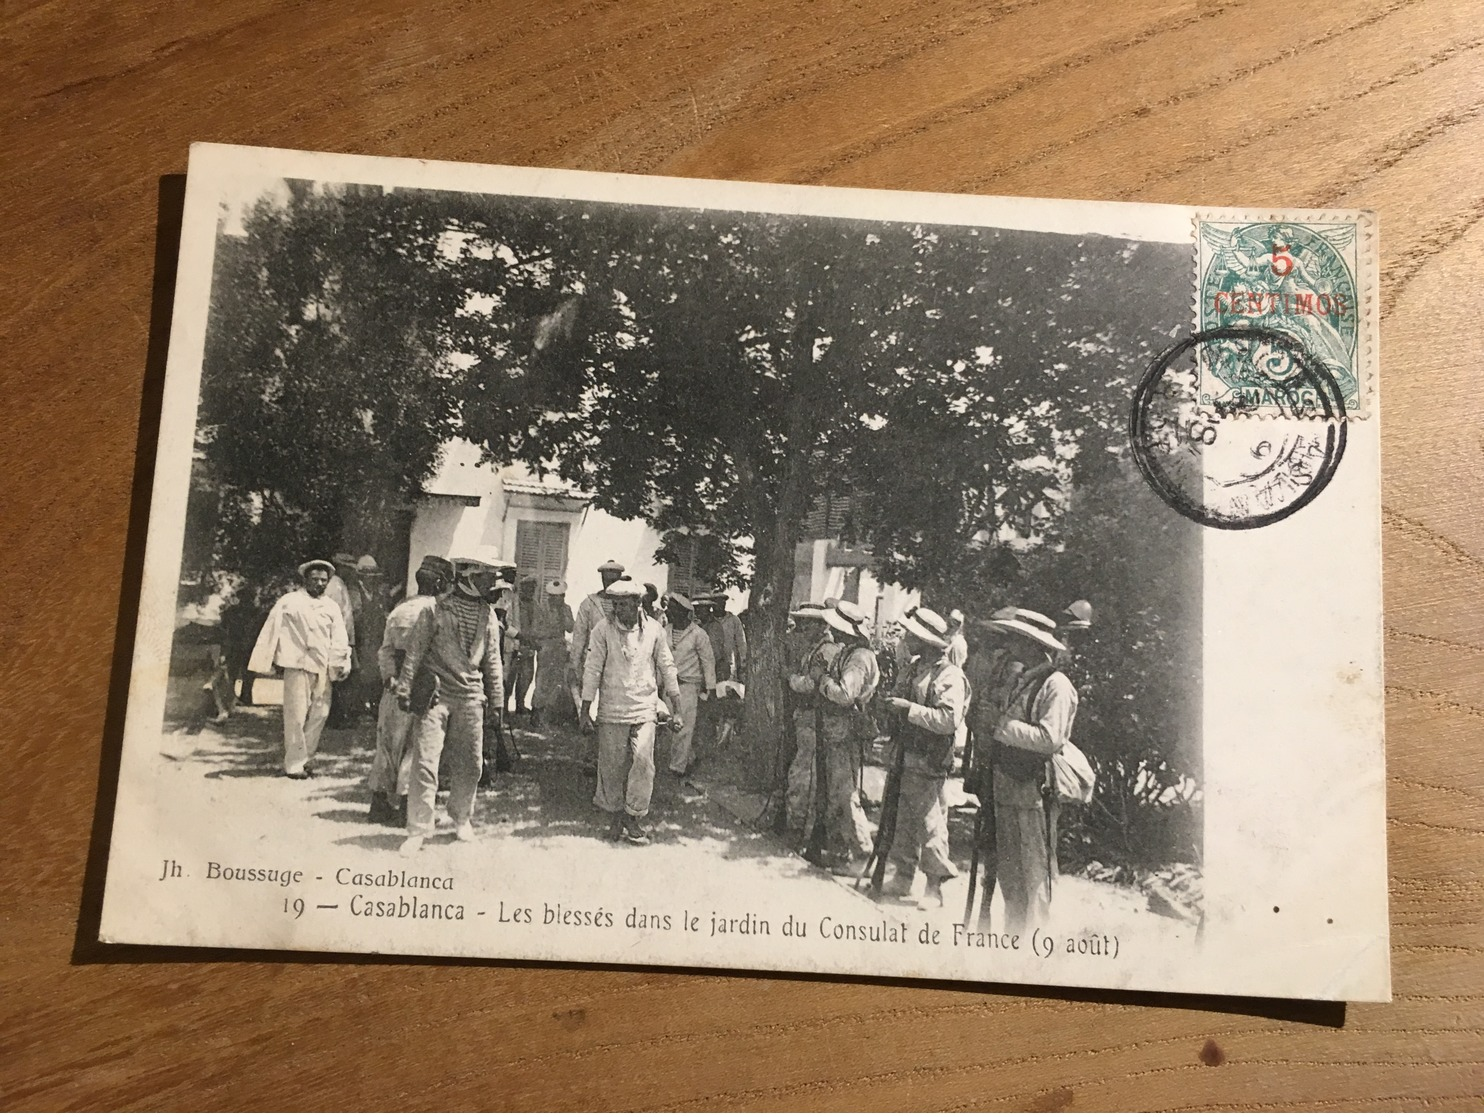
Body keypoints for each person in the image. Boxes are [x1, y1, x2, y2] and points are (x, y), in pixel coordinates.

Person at [395, 555, 505, 856]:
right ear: (469, 576)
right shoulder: (434, 609)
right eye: (486, 577)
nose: (491, 583)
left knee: (471, 763)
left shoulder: (488, 613)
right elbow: (414, 653)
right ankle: (418, 829)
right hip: (436, 694)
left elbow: (493, 661)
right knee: (425, 762)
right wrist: (405, 689)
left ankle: (461, 818)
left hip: (471, 697)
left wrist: (497, 701)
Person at [988, 609, 1078, 936]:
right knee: (1010, 871)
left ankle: (1034, 945)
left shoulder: (1056, 685)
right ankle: (1013, 937)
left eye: (1017, 639)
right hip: (1010, 782)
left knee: (1034, 872)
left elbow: (1050, 739)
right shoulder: (1024, 678)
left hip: (1034, 789)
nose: (1011, 645)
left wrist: (1003, 727)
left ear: (1031, 643)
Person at [581, 581, 682, 845]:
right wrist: (585, 710)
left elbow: (667, 667)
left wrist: (677, 708)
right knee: (611, 767)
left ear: (638, 603)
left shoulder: (654, 631)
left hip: (644, 707)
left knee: (643, 762)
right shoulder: (602, 630)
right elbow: (592, 669)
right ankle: (614, 817)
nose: (618, 610)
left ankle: (633, 817)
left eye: (624, 605)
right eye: (615, 604)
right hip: (612, 709)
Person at [881, 606, 968, 910]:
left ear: (924, 639)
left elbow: (948, 720)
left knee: (931, 824)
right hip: (904, 755)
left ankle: (934, 886)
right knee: (901, 819)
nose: (906, 638)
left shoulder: (951, 676)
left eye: (911, 634)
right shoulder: (913, 669)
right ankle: (902, 876)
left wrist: (908, 708)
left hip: (929, 759)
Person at [247, 560, 352, 779]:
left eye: (324, 580)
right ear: (305, 579)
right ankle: (294, 765)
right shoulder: (289, 601)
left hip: (322, 666)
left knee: (320, 713)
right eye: (315, 579)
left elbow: (340, 637)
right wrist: (267, 660)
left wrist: (341, 663)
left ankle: (306, 757)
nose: (320, 584)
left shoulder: (331, 606)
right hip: (297, 665)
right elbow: (270, 629)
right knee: (296, 715)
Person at [367, 556, 451, 827]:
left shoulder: (399, 610)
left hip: (394, 686)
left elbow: (386, 650)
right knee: (416, 747)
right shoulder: (439, 612)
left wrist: (390, 677)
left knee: (388, 744)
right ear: (440, 583)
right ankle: (406, 807)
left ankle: (378, 804)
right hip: (424, 685)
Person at [798, 600, 879, 871]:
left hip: (846, 731)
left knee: (845, 794)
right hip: (834, 730)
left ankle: (859, 851)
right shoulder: (848, 653)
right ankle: (839, 850)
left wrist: (822, 680)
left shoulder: (859, 659)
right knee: (834, 793)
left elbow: (845, 695)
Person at [784, 603, 839, 837]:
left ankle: (797, 824)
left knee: (803, 772)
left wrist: (790, 678)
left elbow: (810, 684)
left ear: (820, 625)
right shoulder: (815, 648)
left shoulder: (825, 651)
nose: (802, 627)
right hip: (807, 717)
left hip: (814, 717)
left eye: (807, 623)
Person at [662, 593, 716, 777]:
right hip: (668, 687)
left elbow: (708, 662)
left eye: (672, 609)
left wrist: (711, 688)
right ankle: (689, 757)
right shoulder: (664, 631)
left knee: (683, 729)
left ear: (683, 612)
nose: (668, 612)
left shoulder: (698, 634)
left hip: (687, 687)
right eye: (668, 608)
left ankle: (677, 768)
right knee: (668, 725)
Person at [570, 559, 627, 707]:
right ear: (602, 579)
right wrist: (574, 664)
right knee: (591, 702)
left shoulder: (627, 605)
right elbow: (579, 636)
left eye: (614, 581)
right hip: (593, 660)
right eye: (607, 580)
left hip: (618, 663)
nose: (610, 585)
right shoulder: (589, 603)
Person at [528, 577, 576, 726]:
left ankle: (553, 714)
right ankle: (536, 712)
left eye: (561, 596)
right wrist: (551, 633)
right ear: (550, 596)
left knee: (558, 681)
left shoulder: (566, 609)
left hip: (560, 647)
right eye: (556, 596)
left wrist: (562, 614)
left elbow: (570, 627)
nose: (559, 599)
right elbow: (535, 630)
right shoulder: (541, 608)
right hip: (546, 647)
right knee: (543, 680)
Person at [324, 552, 361, 728]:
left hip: (343, 638)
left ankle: (338, 716)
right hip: (337, 639)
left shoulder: (340, 585)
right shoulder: (335, 586)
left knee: (341, 678)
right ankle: (335, 718)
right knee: (338, 679)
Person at [354, 555, 388, 720]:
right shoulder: (355, 593)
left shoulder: (378, 594)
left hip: (375, 640)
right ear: (361, 575)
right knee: (360, 672)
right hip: (361, 640)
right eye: (366, 575)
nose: (370, 578)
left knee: (375, 674)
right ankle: (359, 707)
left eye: (372, 575)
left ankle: (374, 708)